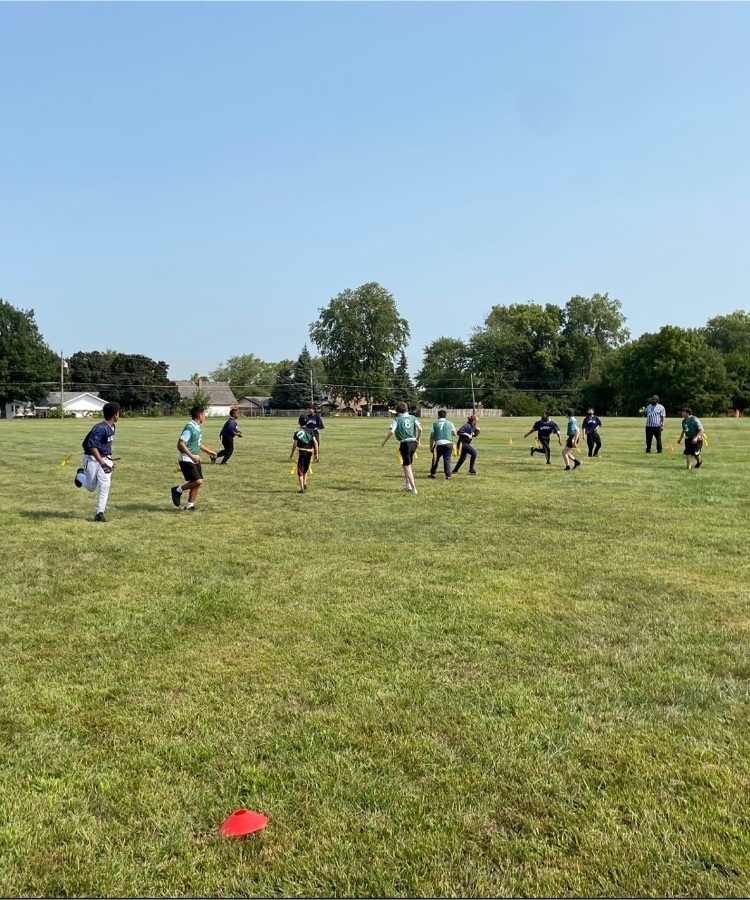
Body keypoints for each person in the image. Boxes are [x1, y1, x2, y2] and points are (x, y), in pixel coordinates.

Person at [74, 401, 120, 522]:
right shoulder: (100, 428)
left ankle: (100, 513)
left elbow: (105, 446)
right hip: (92, 459)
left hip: (104, 459)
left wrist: (109, 459)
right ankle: (80, 475)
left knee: (105, 485)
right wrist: (103, 463)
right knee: (91, 487)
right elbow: (92, 447)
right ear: (115, 415)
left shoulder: (112, 427)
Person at [171, 405, 217, 511]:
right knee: (198, 481)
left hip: (194, 458)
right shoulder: (190, 427)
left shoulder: (197, 427)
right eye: (204, 414)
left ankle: (190, 505)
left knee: (196, 482)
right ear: (200, 415)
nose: (205, 416)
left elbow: (197, 443)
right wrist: (191, 456)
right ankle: (177, 490)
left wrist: (209, 452)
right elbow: (181, 444)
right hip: (187, 459)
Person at [381, 401, 422, 494]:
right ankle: (408, 485)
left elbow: (392, 431)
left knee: (407, 467)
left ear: (397, 411)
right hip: (413, 443)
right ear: (407, 409)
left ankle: (414, 488)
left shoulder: (397, 419)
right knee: (406, 464)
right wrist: (418, 439)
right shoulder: (413, 417)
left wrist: (384, 441)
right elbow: (420, 429)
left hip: (405, 444)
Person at [291, 414, 319, 493]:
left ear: (299, 422)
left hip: (302, 452)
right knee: (306, 468)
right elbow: (315, 443)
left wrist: (292, 453)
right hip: (309, 452)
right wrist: (316, 454)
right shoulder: (311, 431)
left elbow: (295, 444)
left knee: (300, 470)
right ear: (307, 422)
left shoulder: (297, 431)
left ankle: (302, 488)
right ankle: (305, 483)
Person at [429, 409, 458, 480]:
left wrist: (431, 447)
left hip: (438, 444)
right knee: (447, 459)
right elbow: (454, 433)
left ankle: (433, 473)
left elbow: (432, 436)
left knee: (435, 459)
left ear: (438, 416)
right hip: (448, 443)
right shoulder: (450, 423)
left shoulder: (434, 424)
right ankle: (448, 475)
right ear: (445, 415)